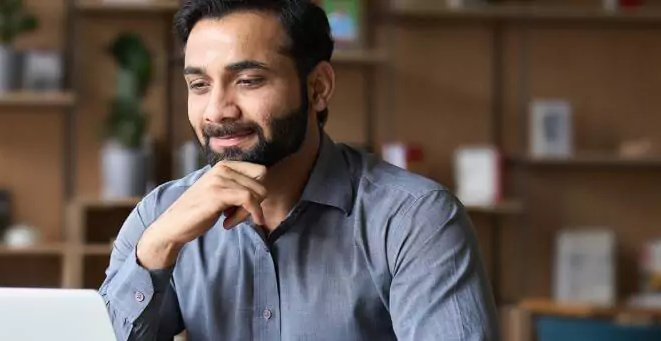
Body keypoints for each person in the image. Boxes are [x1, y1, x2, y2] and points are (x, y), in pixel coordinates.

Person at [98, 0, 499, 340]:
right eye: (200, 85)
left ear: (318, 88)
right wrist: (158, 248)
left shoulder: (414, 219)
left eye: (249, 80)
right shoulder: (161, 216)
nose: (217, 110)